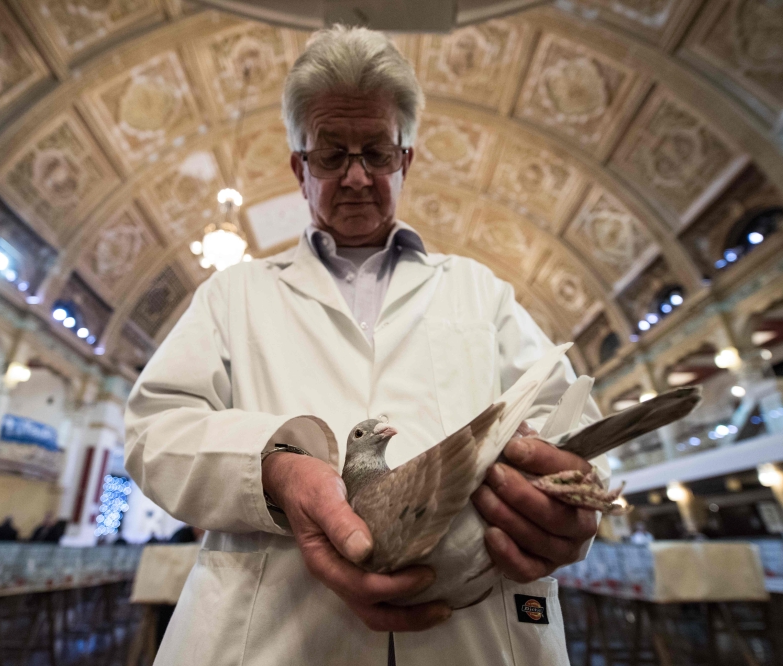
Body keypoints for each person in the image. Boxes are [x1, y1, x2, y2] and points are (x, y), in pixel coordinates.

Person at [125, 26, 606, 666]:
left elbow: (568, 419)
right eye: (331, 155)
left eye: (377, 153)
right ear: (299, 167)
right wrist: (273, 469)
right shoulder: (233, 294)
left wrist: (563, 501)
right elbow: (155, 429)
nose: (355, 177)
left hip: (474, 634)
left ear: (405, 161)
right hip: (272, 635)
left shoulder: (479, 290)